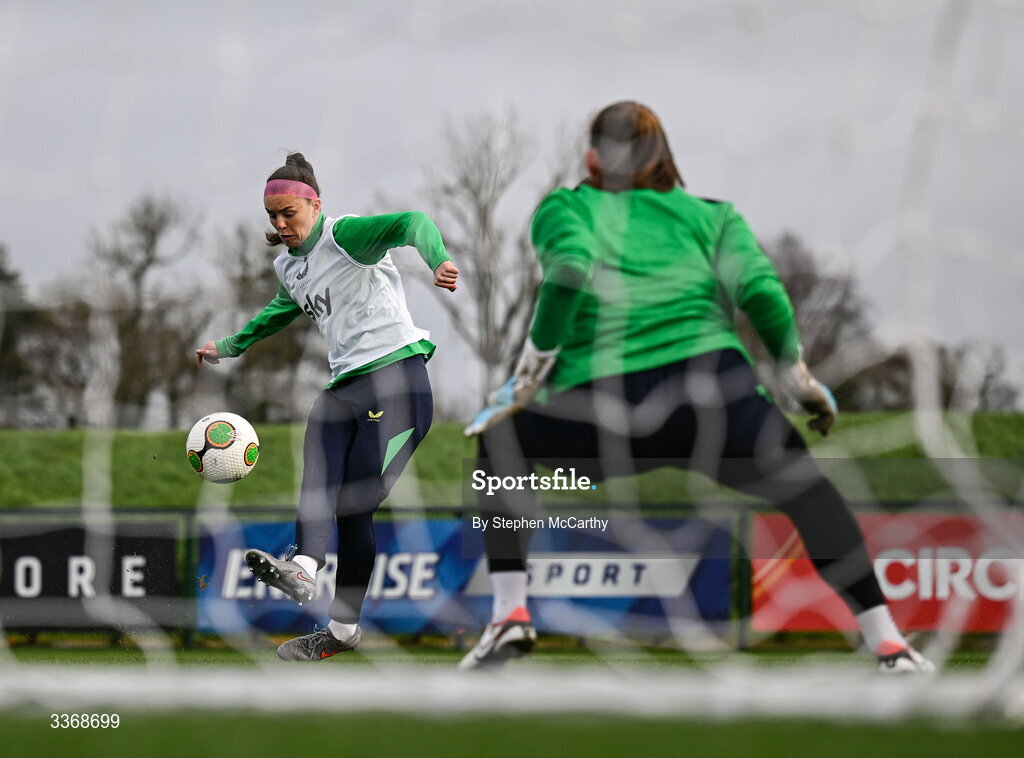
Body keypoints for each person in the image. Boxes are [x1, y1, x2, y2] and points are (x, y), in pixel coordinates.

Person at [461, 102, 932, 674]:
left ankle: (510, 617)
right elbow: (762, 293)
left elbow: (569, 270)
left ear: (591, 159)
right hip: (713, 409)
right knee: (808, 492)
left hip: (600, 419)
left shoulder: (566, 207)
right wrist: (798, 379)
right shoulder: (715, 217)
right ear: (665, 159)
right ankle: (888, 643)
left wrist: (530, 374)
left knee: (502, 448)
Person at [196, 152, 459, 661]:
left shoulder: (347, 236)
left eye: (288, 214)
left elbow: (413, 222)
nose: (279, 224)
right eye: (271, 216)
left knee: (354, 505)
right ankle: (306, 571)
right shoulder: (288, 266)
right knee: (318, 474)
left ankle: (341, 628)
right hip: (345, 390)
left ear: (314, 206)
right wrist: (227, 347)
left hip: (398, 384)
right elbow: (276, 312)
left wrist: (437, 259)